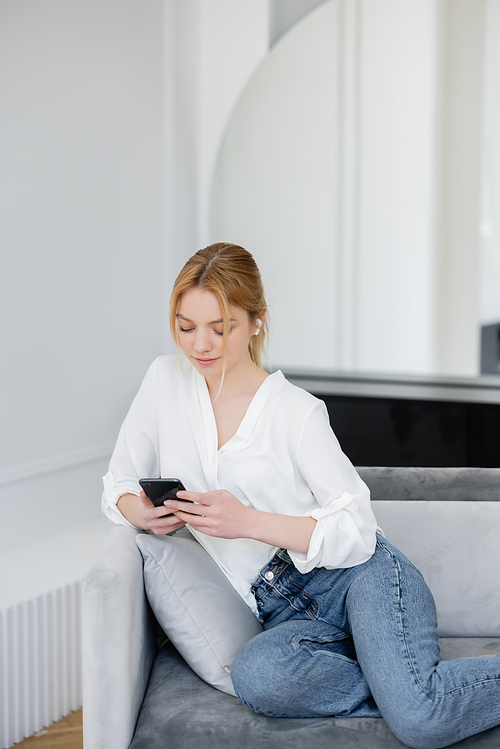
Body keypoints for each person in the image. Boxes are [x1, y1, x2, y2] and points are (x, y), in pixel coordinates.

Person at [102, 242, 500, 749]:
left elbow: (356, 529)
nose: (200, 345)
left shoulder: (296, 412)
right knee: (257, 677)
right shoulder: (163, 382)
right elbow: (116, 485)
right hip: (283, 611)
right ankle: (399, 686)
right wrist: (145, 514)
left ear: (256, 322)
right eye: (185, 326)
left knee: (422, 721)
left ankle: (412, 697)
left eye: (220, 328)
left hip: (361, 578)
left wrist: (245, 520)